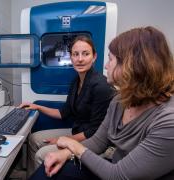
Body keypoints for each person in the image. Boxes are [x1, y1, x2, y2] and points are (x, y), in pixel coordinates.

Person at [30, 26, 174, 180]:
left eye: (111, 59)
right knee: (47, 172)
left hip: (116, 173)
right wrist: (65, 153)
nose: (106, 65)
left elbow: (117, 175)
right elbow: (98, 141)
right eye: (75, 54)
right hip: (113, 164)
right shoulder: (120, 101)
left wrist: (71, 145)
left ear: (133, 65)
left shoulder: (168, 121)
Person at [20, 35, 114, 176]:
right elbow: (64, 112)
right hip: (77, 132)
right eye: (75, 54)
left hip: (90, 140)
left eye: (85, 54)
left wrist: (64, 140)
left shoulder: (101, 86)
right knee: (33, 138)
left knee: (42, 154)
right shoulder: (76, 82)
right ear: (71, 57)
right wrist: (38, 107)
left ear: (94, 57)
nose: (80, 59)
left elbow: (94, 131)